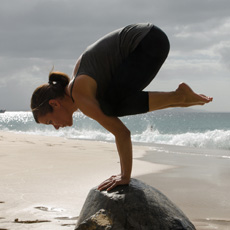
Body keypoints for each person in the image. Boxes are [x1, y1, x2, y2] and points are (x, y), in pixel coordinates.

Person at [31, 23, 212, 191]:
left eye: (49, 122)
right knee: (108, 104)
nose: (55, 127)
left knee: (109, 107)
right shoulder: (81, 86)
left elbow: (122, 133)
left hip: (147, 42)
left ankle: (180, 97)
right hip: (151, 39)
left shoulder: (80, 93)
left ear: (54, 103)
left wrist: (125, 176)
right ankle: (181, 98)